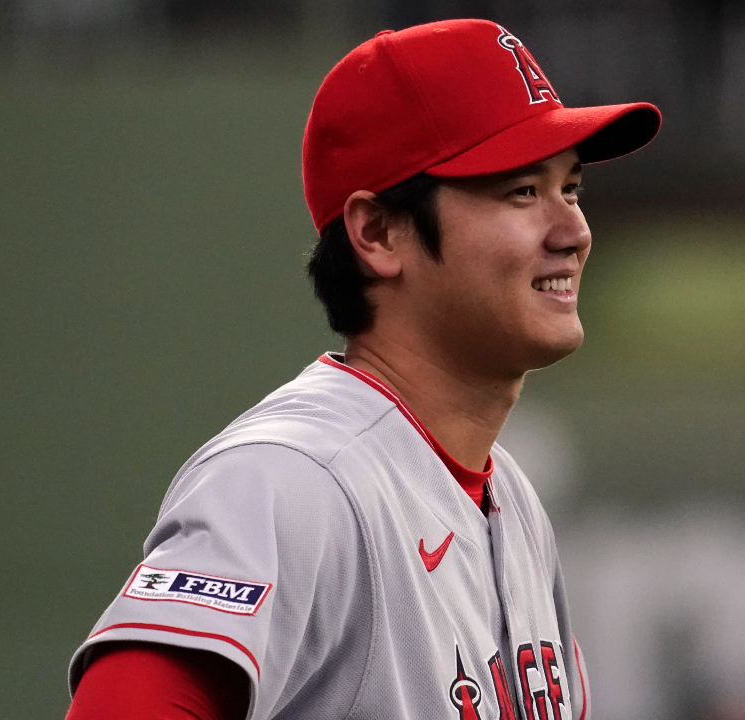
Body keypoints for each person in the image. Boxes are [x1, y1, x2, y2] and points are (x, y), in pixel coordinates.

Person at [63, 18, 659, 720]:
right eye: (522, 192)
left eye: (572, 189)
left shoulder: (513, 502)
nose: (573, 231)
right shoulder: (290, 479)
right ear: (377, 232)